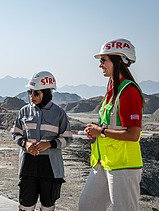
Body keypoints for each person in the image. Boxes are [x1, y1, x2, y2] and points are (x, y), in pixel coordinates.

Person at [78, 38, 144, 211]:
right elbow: (110, 125)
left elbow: (133, 134)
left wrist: (101, 131)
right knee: (87, 207)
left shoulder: (128, 91)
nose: (100, 65)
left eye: (103, 60)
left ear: (119, 60)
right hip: (104, 162)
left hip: (124, 165)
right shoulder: (112, 90)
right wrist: (96, 131)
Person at [11, 71, 72, 211]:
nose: (32, 96)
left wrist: (49, 144)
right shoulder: (24, 112)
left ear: (46, 93)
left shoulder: (59, 113)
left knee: (48, 206)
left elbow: (67, 138)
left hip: (50, 167)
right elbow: (16, 134)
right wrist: (25, 144)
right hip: (28, 164)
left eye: (36, 93)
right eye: (30, 92)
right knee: (25, 206)